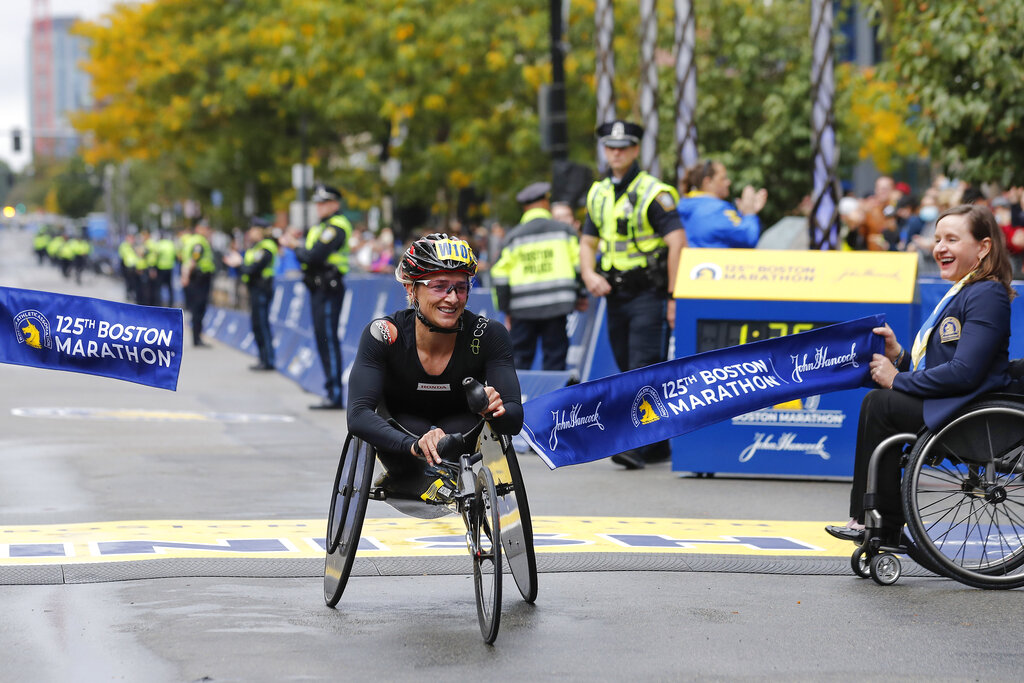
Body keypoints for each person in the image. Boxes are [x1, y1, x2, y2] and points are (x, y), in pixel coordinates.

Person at [825, 204, 1014, 544]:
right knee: (878, 403)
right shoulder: (966, 291)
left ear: (983, 247)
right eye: (937, 238)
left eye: (952, 239)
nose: (940, 247)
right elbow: (944, 364)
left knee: (880, 403)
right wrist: (900, 356)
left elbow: (964, 373)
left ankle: (878, 523)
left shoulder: (986, 294)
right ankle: (874, 521)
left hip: (970, 414)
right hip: (957, 404)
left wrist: (897, 379)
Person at [346, 233, 523, 505]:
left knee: (452, 440)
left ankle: (443, 476)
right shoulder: (384, 334)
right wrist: (415, 445)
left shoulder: (489, 334)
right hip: (401, 433)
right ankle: (418, 475)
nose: (452, 299)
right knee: (408, 435)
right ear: (411, 289)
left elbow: (513, 419)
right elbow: (357, 416)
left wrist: (496, 410)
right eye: (439, 286)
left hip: (460, 433)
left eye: (461, 287)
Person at [579, 119, 687, 470]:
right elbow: (587, 241)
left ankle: (635, 442)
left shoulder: (654, 192)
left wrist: (674, 296)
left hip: (649, 293)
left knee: (643, 366)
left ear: (636, 150)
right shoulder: (598, 192)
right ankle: (658, 444)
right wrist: (588, 273)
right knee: (628, 366)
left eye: (623, 147)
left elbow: (677, 243)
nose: (616, 153)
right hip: (615, 294)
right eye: (610, 147)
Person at [491, 181, 584, 372]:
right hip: (557, 307)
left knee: (519, 364)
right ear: (544, 203)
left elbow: (499, 275)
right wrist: (580, 295)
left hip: (522, 311)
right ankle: (553, 402)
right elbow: (579, 265)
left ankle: (518, 400)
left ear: (525, 207)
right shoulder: (564, 231)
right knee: (555, 361)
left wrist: (505, 308)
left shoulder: (512, 237)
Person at [282, 184, 352, 409]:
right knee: (323, 337)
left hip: (329, 287)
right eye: (317, 203)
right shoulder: (321, 226)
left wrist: (294, 246)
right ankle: (330, 389)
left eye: (323, 203)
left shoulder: (336, 226)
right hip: (318, 288)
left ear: (334, 204)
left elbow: (314, 256)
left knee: (329, 339)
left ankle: (335, 393)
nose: (319, 207)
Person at [676, 160, 767, 248]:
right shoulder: (715, 210)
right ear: (708, 182)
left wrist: (741, 215)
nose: (728, 182)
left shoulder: (685, 206)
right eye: (723, 178)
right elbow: (748, 238)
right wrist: (749, 213)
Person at [226, 219, 279, 370]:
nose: (250, 233)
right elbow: (246, 269)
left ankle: (268, 360)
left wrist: (239, 263)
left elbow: (252, 269)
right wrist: (239, 265)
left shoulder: (266, 247)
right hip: (254, 289)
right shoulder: (255, 248)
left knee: (262, 324)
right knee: (257, 325)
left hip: (262, 289)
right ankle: (263, 358)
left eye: (254, 229)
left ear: (261, 231)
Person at [181, 222, 216, 347]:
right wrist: (185, 276)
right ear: (198, 229)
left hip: (197, 278)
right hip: (200, 278)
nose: (208, 230)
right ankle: (197, 338)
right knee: (199, 309)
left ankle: (197, 337)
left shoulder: (192, 240)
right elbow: (193, 260)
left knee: (197, 308)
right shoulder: (199, 242)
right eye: (206, 228)